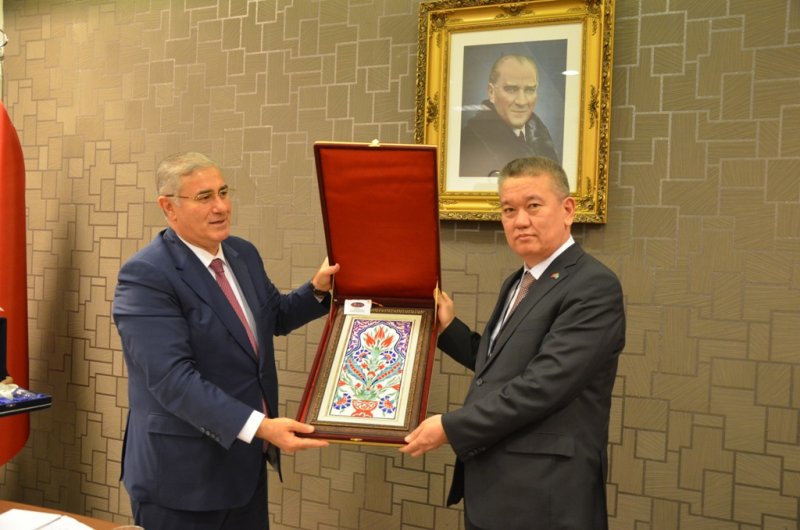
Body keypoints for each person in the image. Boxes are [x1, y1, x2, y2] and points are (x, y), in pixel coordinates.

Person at [113, 152, 339, 530]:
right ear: (168, 207)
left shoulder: (242, 253)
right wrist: (262, 427)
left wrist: (317, 288)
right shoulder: (146, 275)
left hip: (244, 468)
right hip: (181, 480)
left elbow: (273, 316)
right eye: (204, 197)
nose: (220, 207)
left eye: (223, 192)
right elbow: (173, 380)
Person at [400, 156, 625, 530]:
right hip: (495, 488)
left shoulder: (592, 285)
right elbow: (500, 366)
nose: (520, 221)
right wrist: (447, 328)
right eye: (508, 210)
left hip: (547, 497)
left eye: (533, 206)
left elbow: (543, 385)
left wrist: (451, 427)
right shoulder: (518, 282)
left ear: (568, 210)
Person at [459, 54, 561, 178]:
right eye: (511, 89)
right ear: (491, 92)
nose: (522, 101)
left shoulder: (540, 134)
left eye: (529, 90)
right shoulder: (468, 141)